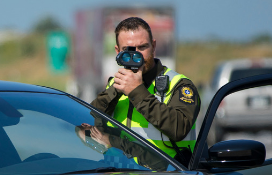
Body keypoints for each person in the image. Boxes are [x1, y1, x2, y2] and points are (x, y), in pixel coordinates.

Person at [80, 17, 201, 164]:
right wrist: (115, 90)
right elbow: (87, 121)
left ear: (154, 46)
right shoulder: (114, 86)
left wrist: (137, 91)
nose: (136, 55)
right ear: (118, 51)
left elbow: (178, 128)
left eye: (142, 47)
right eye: (128, 50)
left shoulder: (179, 85)